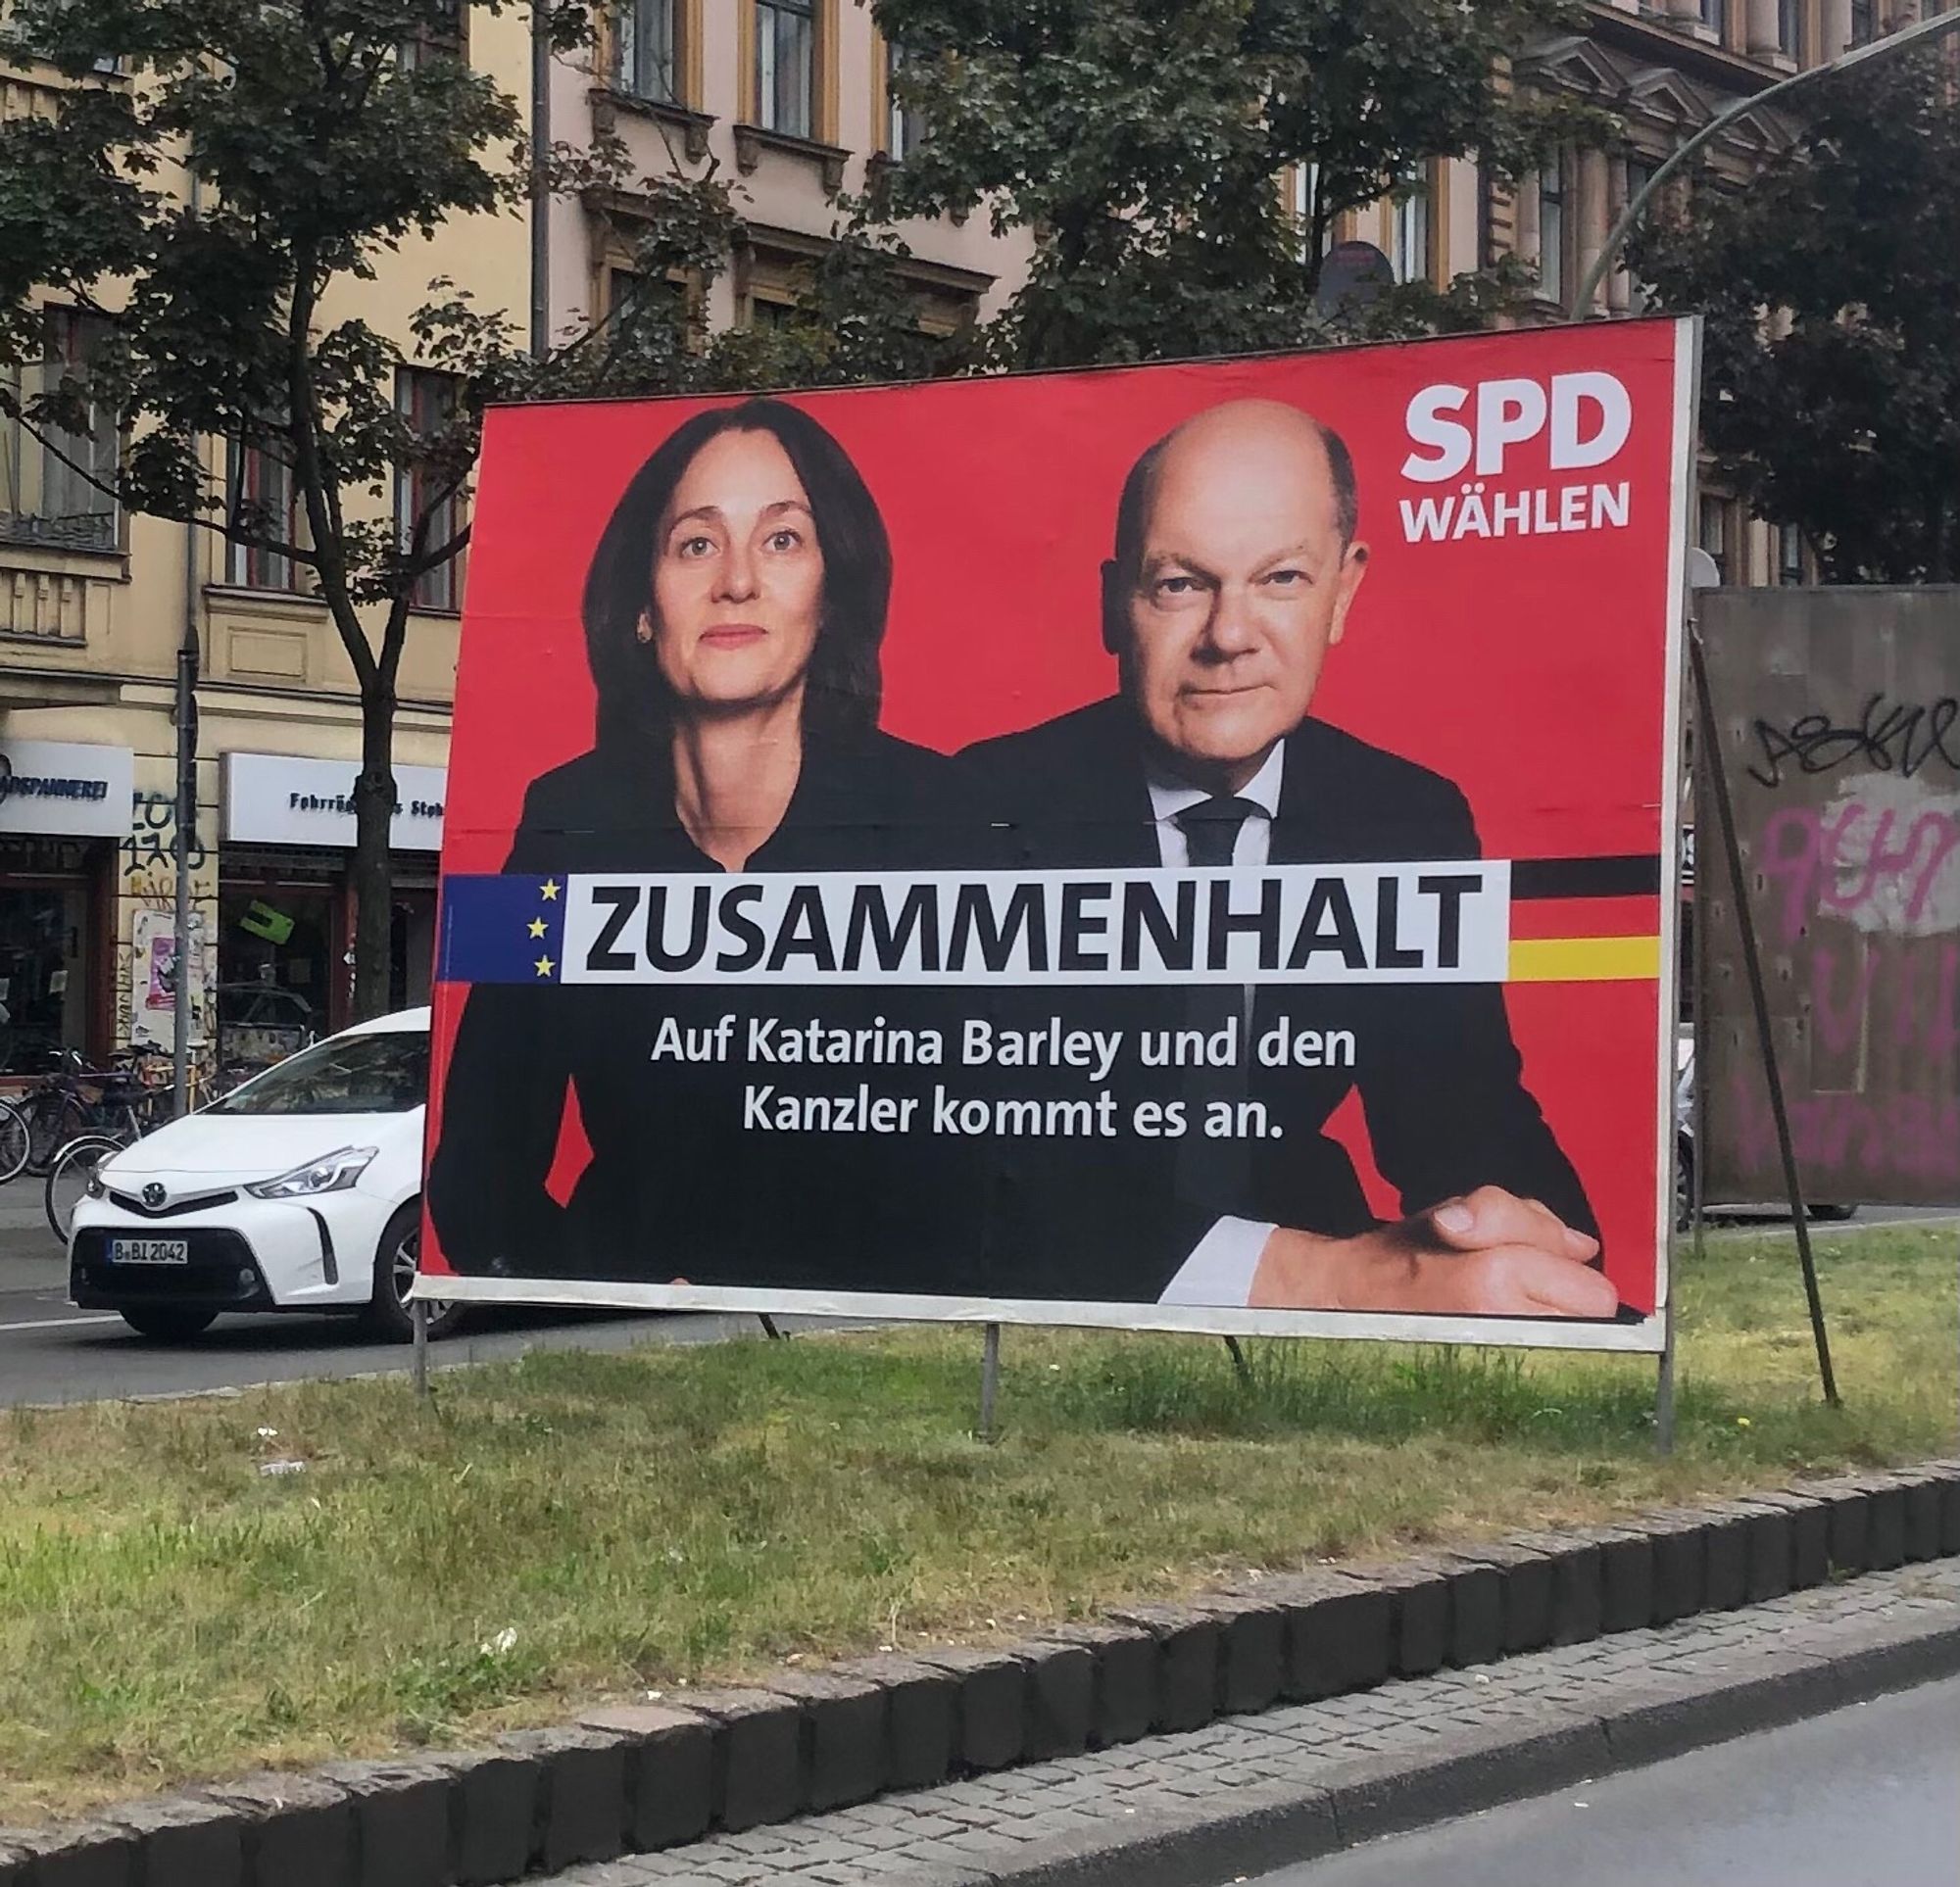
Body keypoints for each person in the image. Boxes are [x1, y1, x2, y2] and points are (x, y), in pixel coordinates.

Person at [962, 399, 1618, 1320]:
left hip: (1314, 1260)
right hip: (1074, 1285)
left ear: (1343, 594)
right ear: (1117, 603)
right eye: (1181, 585)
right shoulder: (976, 812)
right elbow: (968, 1166)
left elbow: (1461, 1115)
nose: (1229, 636)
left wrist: (1524, 1236)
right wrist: (1337, 1278)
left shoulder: (1404, 816)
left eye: (1279, 579)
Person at [428, 398, 985, 1289]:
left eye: (781, 540)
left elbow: (997, 1145)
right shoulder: (557, 820)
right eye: (696, 542)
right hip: (633, 1355)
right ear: (642, 604)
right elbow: (473, 1170)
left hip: (866, 1343)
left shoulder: (942, 818)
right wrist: (610, 1293)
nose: (735, 581)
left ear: (831, 595)